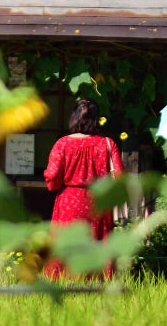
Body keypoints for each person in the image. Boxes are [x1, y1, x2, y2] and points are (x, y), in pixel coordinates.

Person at [42, 99, 122, 277]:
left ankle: (63, 283)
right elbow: (119, 178)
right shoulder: (108, 144)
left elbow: (52, 180)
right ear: (96, 119)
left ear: (74, 117)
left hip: (68, 203)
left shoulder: (62, 144)